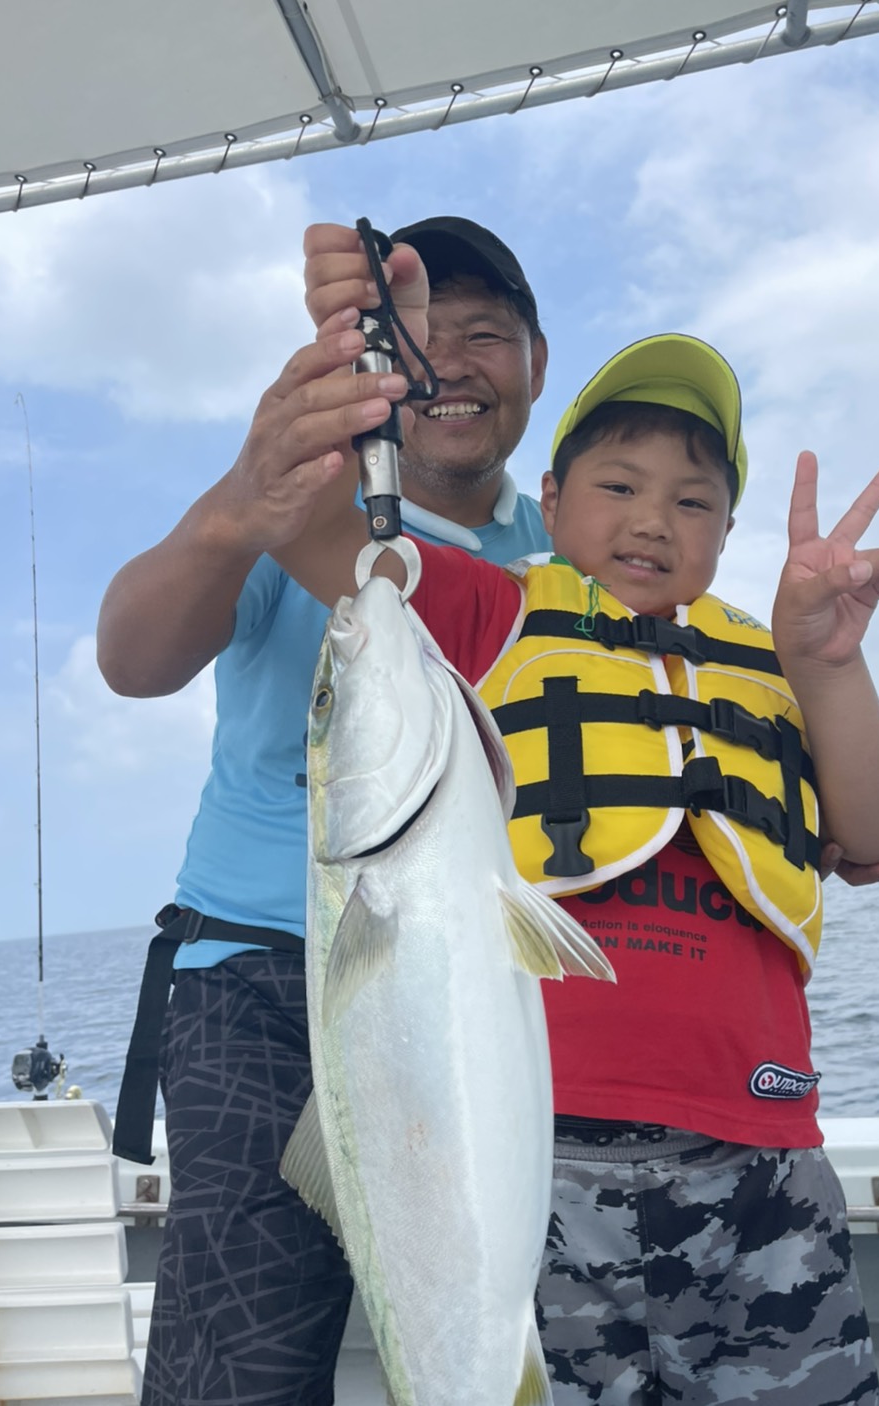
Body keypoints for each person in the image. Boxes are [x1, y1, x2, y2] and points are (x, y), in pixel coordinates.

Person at [272, 264, 879, 1403]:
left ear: (727, 532)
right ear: (551, 497)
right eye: (618, 485)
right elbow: (318, 530)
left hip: (762, 1152)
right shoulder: (493, 613)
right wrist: (360, 367)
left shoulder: (773, 664)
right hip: (541, 1165)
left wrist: (829, 660)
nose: (652, 519)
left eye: (693, 502)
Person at [96, 216, 550, 1406]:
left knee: (512, 1325)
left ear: (537, 362)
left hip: (482, 988)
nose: (451, 364)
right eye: (426, 339)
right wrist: (241, 504)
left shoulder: (561, 551)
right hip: (253, 984)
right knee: (235, 1376)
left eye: (486, 335)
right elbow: (132, 654)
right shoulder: (289, 500)